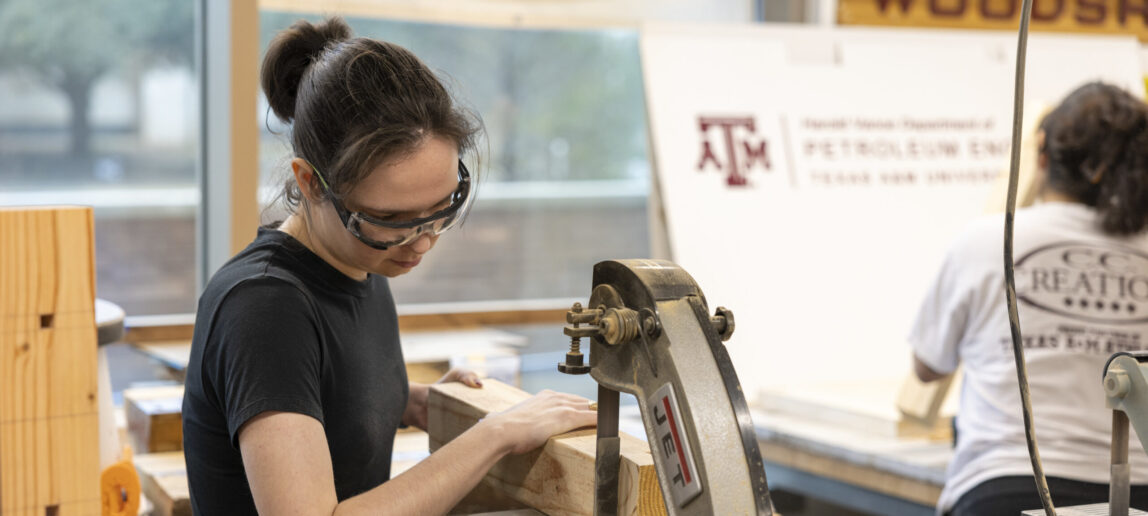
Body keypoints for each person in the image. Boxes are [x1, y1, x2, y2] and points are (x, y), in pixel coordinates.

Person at [181, 17, 598, 515]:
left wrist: (408, 400)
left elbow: (318, 388)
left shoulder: (359, 262)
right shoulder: (265, 307)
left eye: (442, 207)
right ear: (311, 183)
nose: (421, 243)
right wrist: (495, 435)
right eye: (390, 219)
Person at [911, 81, 1148, 515]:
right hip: (1137, 493)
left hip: (1006, 486)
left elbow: (927, 367)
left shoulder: (988, 241)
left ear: (1041, 154)